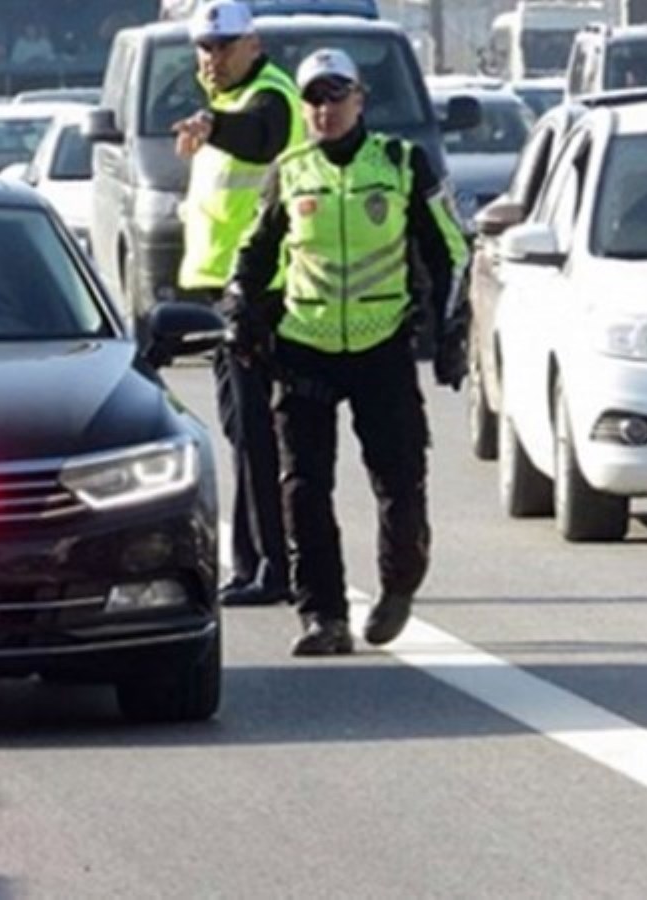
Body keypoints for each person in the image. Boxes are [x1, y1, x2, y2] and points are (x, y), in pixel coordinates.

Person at [223, 49, 469, 656]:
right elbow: (251, 258)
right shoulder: (289, 170)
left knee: (400, 477)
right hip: (304, 348)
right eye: (314, 98)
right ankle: (323, 615)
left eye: (337, 96)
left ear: (360, 99)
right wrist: (240, 312)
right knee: (303, 486)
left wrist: (448, 335)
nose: (324, 109)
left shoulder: (401, 162)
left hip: (382, 345)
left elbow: (451, 253)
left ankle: (399, 582)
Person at [171, 0, 305, 608]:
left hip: (263, 294)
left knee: (258, 434)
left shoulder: (269, 96)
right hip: (223, 294)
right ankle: (256, 561)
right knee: (243, 431)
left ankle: (271, 567)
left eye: (223, 46)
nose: (212, 58)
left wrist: (213, 127)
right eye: (204, 47)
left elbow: (261, 140)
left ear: (253, 43)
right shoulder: (224, 103)